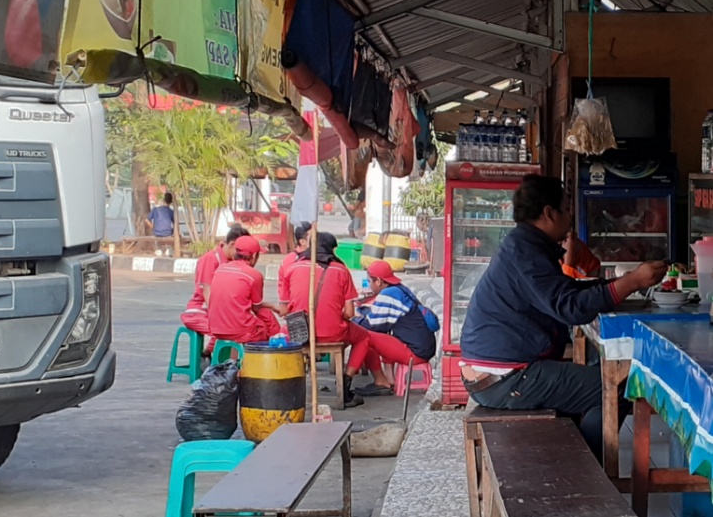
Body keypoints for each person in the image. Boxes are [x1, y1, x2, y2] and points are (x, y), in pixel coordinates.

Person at [459, 174, 666, 461]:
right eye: (567, 209)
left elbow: (565, 291)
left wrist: (617, 286)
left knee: (597, 383)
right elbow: (569, 306)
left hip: (503, 369)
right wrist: (630, 282)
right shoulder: (525, 252)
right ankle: (584, 469)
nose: (571, 217)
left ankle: (576, 459)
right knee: (618, 387)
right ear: (548, 213)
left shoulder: (525, 246)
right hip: (507, 376)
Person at [282, 232, 388, 408]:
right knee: (363, 338)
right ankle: (345, 383)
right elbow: (349, 312)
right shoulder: (341, 269)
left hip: (299, 333)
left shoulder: (292, 268)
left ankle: (290, 386)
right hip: (332, 332)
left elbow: (285, 310)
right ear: (332, 250)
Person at [352, 261, 438, 396]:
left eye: (370, 281)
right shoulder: (400, 289)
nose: (370, 285)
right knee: (385, 335)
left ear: (379, 281)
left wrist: (355, 318)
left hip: (415, 353)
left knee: (365, 336)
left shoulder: (388, 294)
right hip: (425, 348)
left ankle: (379, 382)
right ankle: (389, 378)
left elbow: (372, 325)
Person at [179, 226, 250, 351]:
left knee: (243, 329)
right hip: (199, 312)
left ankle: (227, 363)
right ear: (232, 244)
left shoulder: (232, 262)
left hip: (220, 315)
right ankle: (209, 356)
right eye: (241, 250)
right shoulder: (211, 259)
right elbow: (207, 291)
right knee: (230, 331)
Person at [208, 235, 282, 344]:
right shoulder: (254, 275)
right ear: (254, 256)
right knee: (266, 318)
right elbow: (256, 308)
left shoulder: (220, 269)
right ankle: (275, 349)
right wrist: (272, 307)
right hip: (240, 331)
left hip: (215, 329)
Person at [278, 222, 312, 304]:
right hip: (295, 307)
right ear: (303, 242)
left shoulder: (317, 257)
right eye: (313, 238)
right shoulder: (290, 261)